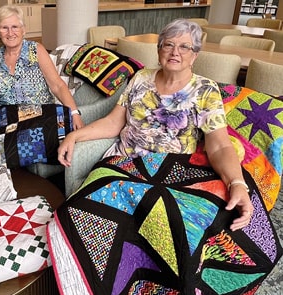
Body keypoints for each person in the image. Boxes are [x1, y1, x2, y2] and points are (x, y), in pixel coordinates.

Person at [57, 18, 253, 231]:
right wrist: (74, 136)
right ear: (159, 50)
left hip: (167, 170)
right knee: (80, 211)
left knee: (154, 224)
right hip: (123, 162)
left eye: (184, 47)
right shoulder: (140, 78)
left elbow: (221, 146)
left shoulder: (205, 90)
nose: (175, 52)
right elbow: (113, 123)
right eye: (168, 44)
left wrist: (237, 183)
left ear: (194, 55)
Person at [0, 5, 84, 130]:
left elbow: (58, 85)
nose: (10, 33)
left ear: (23, 30)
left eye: (15, 27)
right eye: (4, 28)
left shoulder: (36, 50)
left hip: (40, 118)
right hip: (5, 119)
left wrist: (74, 113)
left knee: (21, 146)